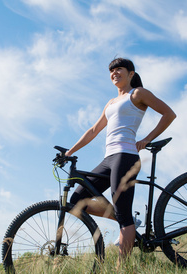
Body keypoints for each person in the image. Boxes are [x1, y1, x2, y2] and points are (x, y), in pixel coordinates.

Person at [65, 57, 176, 262]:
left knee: (123, 215)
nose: (114, 73)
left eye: (119, 69)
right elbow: (93, 130)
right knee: (76, 201)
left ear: (131, 74)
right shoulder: (111, 102)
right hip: (108, 159)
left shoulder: (138, 94)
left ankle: (121, 269)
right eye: (111, 71)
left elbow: (169, 114)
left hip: (126, 157)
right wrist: (69, 152)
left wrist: (147, 139)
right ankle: (128, 222)